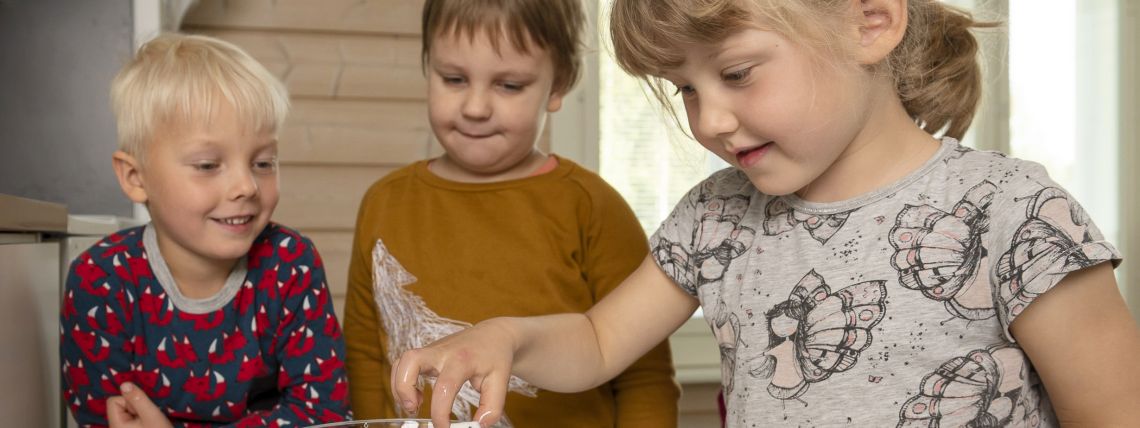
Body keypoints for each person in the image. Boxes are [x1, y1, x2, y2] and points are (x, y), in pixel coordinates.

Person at [390, 0, 1140, 426]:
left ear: (870, 21)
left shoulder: (1013, 212)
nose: (710, 119)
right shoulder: (715, 219)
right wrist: (507, 339)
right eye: (684, 88)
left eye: (736, 73)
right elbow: (595, 339)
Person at [341, 0, 681, 426]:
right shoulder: (383, 204)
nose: (476, 107)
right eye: (454, 79)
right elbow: (367, 356)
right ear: (428, 66)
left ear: (558, 85)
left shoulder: (593, 208)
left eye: (509, 85)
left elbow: (643, 377)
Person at [60, 33, 350, 427]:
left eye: (263, 163)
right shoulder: (100, 280)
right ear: (135, 177)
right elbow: (103, 418)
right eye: (208, 165)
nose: (246, 186)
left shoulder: (290, 264)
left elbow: (324, 412)